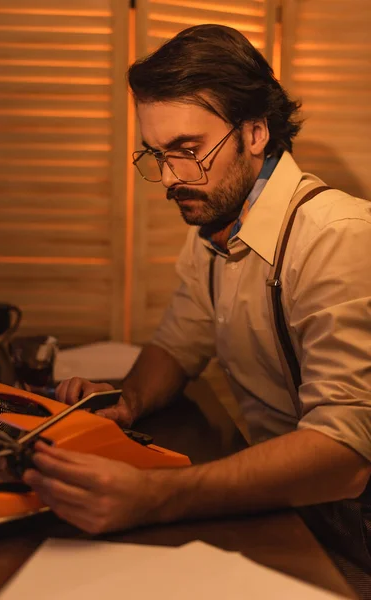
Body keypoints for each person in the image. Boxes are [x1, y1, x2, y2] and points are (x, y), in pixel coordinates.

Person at [23, 24, 371, 596]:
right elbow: (177, 345)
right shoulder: (214, 223)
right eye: (156, 156)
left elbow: (345, 452)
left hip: (350, 527)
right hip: (277, 501)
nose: (169, 179)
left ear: (256, 131)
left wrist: (157, 497)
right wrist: (124, 403)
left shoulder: (337, 237)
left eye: (187, 151)